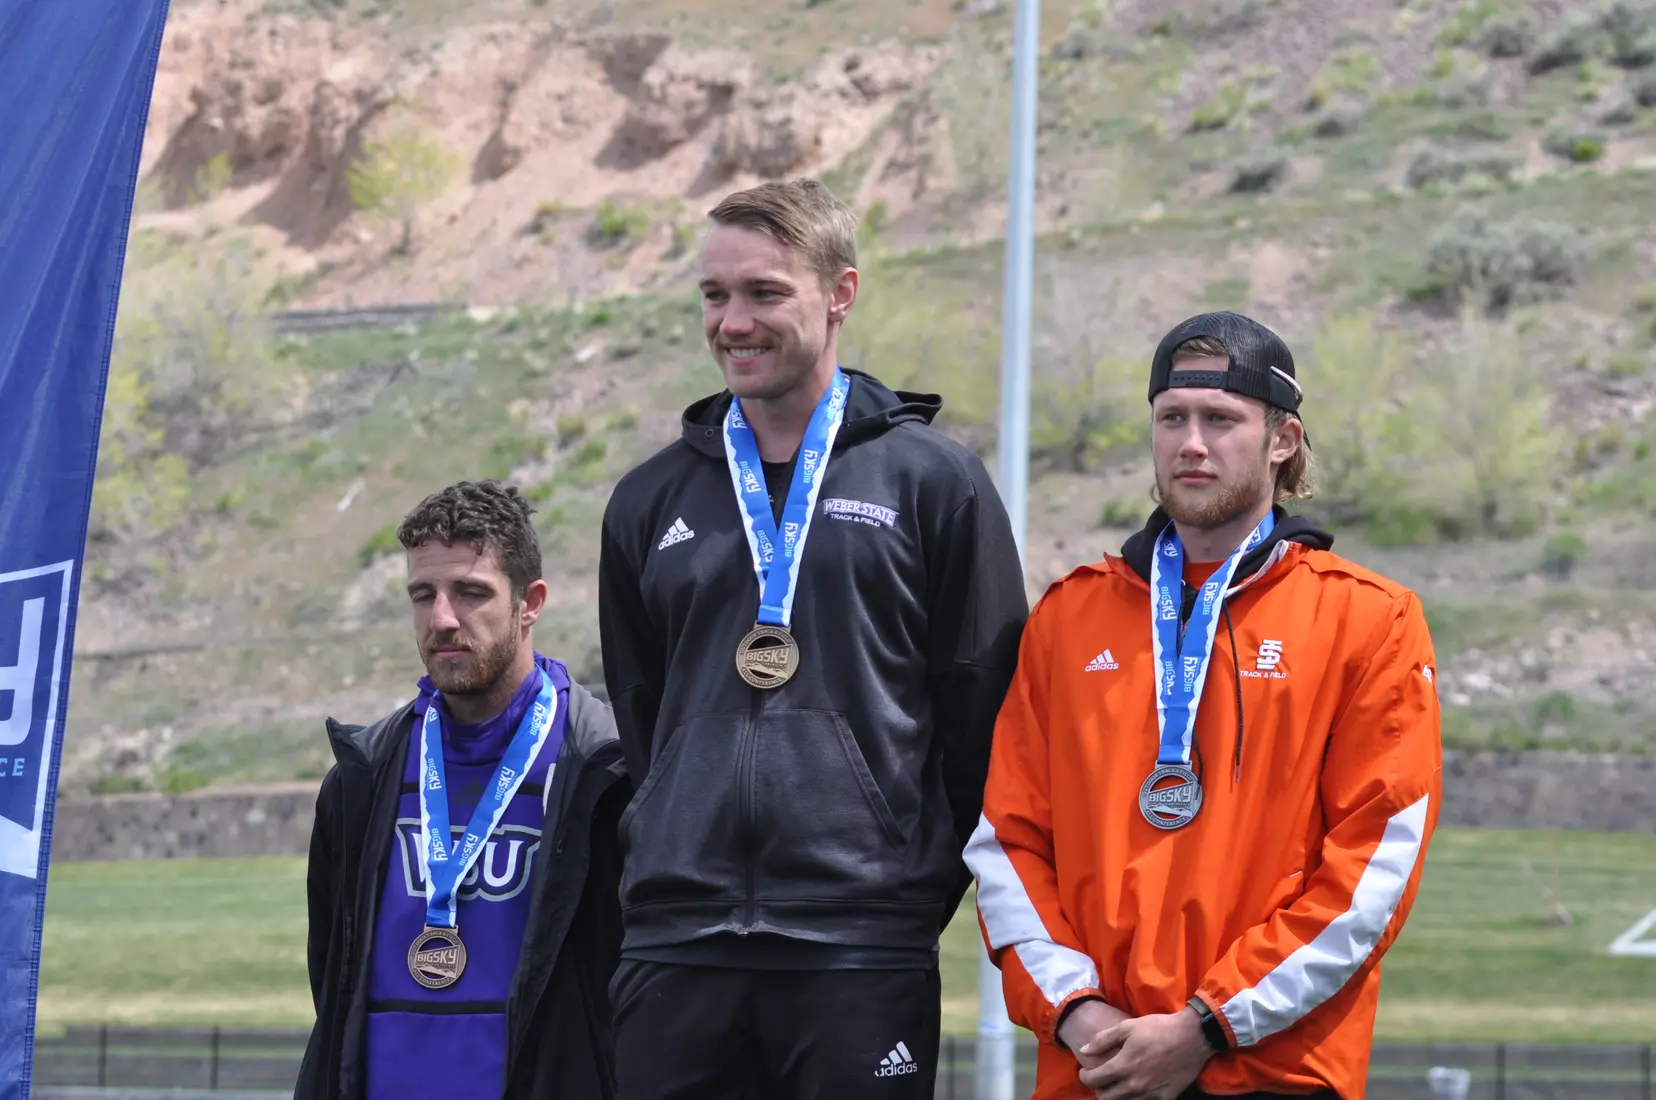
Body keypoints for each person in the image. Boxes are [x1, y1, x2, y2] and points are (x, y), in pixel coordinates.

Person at [598, 177, 1028, 1099]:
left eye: (764, 292)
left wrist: (902, 894)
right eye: (714, 295)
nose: (732, 322)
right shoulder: (647, 499)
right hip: (678, 947)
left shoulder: (935, 483)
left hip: (858, 948)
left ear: (841, 294)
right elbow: (643, 719)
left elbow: (984, 720)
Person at [965, 311, 1443, 1100]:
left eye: (1221, 420)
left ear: (1282, 440)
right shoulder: (1069, 615)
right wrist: (1079, 1012)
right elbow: (1007, 840)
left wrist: (1209, 1024)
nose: (1192, 443)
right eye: (1172, 418)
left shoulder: (1369, 619)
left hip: (1273, 1069)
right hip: (1098, 1065)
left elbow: (1373, 870)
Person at [295, 480, 629, 1100]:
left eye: (471, 593)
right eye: (423, 595)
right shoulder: (361, 780)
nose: (442, 619)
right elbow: (332, 981)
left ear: (530, 603)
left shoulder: (606, 773)